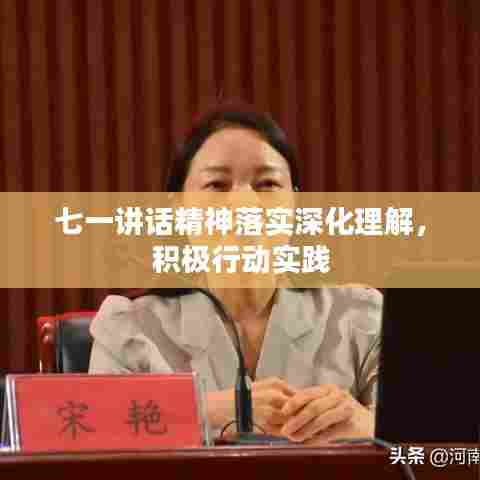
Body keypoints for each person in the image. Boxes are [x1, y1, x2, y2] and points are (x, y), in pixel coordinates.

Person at [88, 103, 382, 443]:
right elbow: (93, 436)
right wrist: (211, 411)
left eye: (267, 184)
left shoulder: (361, 316)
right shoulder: (127, 328)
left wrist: (364, 423)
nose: (244, 205)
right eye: (217, 185)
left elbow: (425, 438)